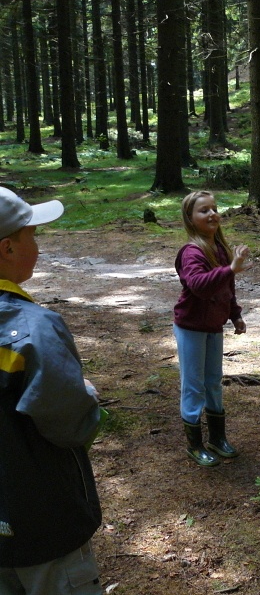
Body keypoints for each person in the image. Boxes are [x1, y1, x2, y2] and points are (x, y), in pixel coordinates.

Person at [0, 187, 103, 594]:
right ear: (8, 248)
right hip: (43, 524)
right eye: (32, 235)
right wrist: (86, 394)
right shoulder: (35, 329)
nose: (37, 246)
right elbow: (71, 426)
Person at [174, 191, 250, 467]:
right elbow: (199, 286)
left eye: (214, 209)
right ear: (190, 218)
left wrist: (235, 315)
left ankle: (218, 438)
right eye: (204, 210)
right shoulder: (191, 252)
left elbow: (227, 288)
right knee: (193, 385)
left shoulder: (219, 248)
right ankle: (195, 444)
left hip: (213, 327)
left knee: (213, 382)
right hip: (191, 327)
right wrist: (230, 269)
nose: (212, 214)